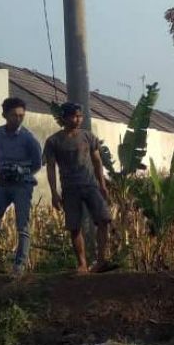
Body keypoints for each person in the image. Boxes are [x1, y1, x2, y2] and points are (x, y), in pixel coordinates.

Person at [0, 97, 42, 277]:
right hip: (3, 183)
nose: (18, 119)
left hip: (22, 185)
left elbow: (37, 163)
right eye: (14, 115)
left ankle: (19, 266)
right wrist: (4, 169)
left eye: (21, 115)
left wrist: (21, 171)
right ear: (5, 115)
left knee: (23, 227)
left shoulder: (29, 138)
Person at [43, 102, 116, 274]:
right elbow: (51, 167)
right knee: (74, 226)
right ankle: (82, 264)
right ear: (64, 118)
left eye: (79, 116)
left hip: (90, 185)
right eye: (73, 116)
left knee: (104, 219)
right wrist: (54, 192)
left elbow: (97, 162)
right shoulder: (53, 141)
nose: (77, 120)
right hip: (70, 188)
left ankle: (101, 260)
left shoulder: (88, 137)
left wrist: (103, 185)